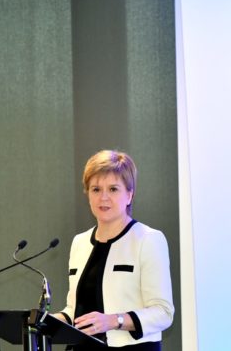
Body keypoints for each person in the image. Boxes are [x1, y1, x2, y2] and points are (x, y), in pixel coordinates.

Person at [55, 149, 174, 350]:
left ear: (129, 195)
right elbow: (75, 309)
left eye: (113, 189)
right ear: (88, 195)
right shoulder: (80, 242)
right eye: (96, 189)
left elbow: (163, 312)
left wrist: (114, 320)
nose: (103, 198)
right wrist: (46, 321)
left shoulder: (149, 239)